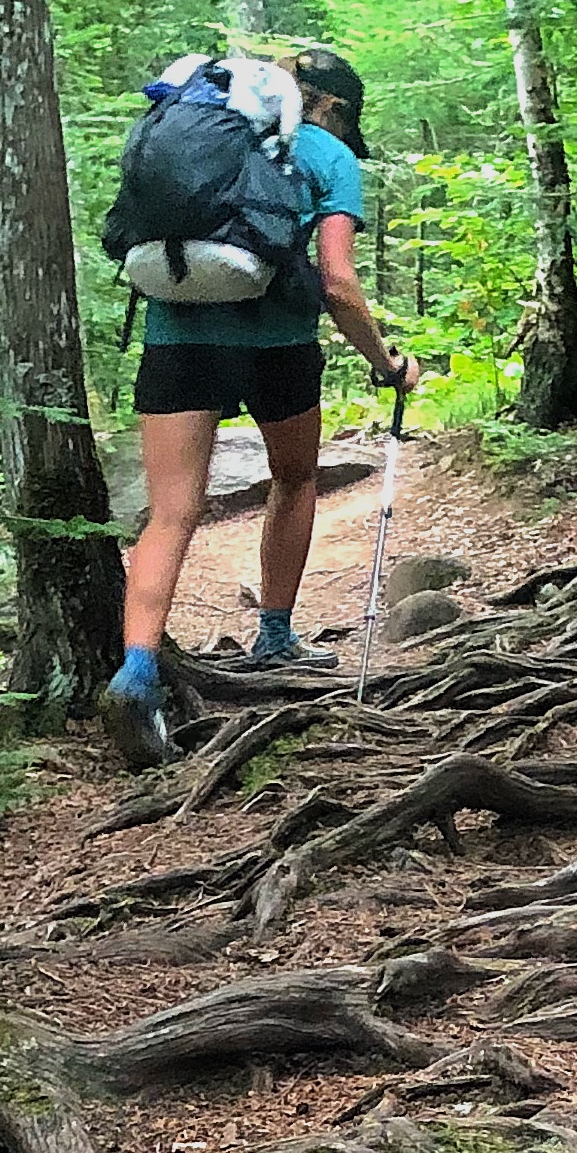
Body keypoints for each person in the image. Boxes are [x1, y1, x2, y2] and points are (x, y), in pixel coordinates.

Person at [103, 42, 421, 753]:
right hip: (278, 347)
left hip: (177, 341)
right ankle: (274, 635)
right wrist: (389, 362)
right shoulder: (329, 157)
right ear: (332, 107)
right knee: (296, 477)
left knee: (171, 513)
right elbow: (338, 284)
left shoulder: (193, 129)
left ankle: (136, 672)